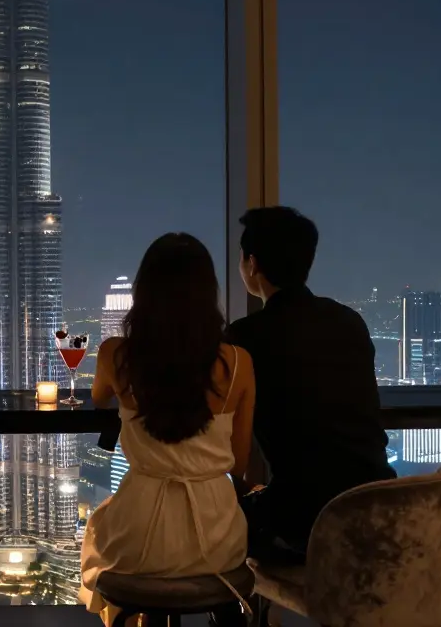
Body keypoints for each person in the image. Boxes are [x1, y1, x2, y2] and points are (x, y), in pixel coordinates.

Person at [80, 233, 256, 626]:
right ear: (208, 294)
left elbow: (98, 398)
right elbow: (240, 462)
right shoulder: (238, 364)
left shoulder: (116, 355)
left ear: (143, 294)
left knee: (100, 529)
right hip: (217, 537)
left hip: (138, 533)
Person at [226, 206, 395, 564]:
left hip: (308, 525)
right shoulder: (348, 321)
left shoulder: (245, 338)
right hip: (380, 509)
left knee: (210, 524)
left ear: (252, 264)